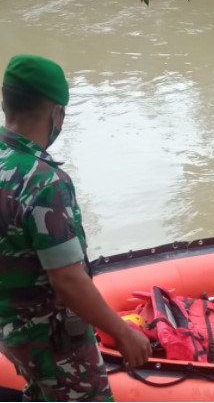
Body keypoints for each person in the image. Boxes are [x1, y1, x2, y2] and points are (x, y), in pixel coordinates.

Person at [0, 54, 152, 401]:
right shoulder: (43, 182)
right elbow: (66, 279)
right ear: (57, 113)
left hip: (12, 331)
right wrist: (122, 332)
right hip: (54, 342)